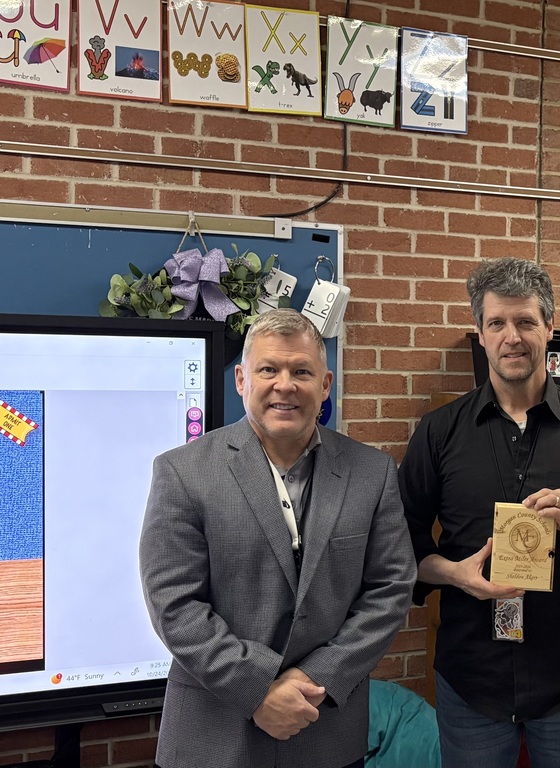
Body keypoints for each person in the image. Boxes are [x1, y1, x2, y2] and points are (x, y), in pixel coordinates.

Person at [398, 257, 560, 768]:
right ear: (480, 332)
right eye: (497, 323)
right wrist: (456, 574)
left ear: (550, 327)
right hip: (472, 681)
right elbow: (401, 544)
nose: (512, 337)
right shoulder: (438, 431)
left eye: (525, 322)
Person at [139, 308, 416, 768]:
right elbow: (174, 605)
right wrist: (258, 690)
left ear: (324, 385)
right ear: (242, 380)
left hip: (324, 729)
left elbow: (390, 591)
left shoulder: (372, 473)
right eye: (269, 369)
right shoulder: (182, 472)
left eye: (301, 371)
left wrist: (314, 679)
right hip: (213, 737)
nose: (284, 384)